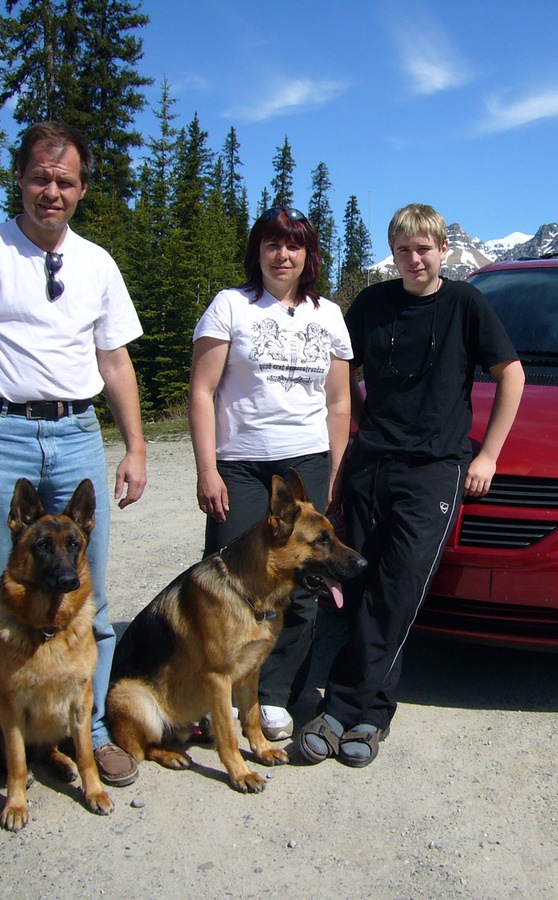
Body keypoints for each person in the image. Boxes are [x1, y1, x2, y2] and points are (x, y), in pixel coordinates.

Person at [0, 121, 148, 821]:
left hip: (77, 429)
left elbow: (114, 361)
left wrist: (135, 445)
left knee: (94, 605)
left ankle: (96, 736)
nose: (52, 192)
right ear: (19, 180)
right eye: (40, 179)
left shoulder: (97, 263)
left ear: (82, 189)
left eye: (66, 181)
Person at [298, 203, 525, 767]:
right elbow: (340, 372)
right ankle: (372, 716)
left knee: (397, 588)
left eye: (424, 248)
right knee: (363, 586)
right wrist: (344, 432)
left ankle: (343, 706)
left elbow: (511, 374)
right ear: (394, 253)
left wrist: (488, 453)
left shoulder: (466, 304)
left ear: (443, 250)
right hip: (371, 463)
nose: (415, 258)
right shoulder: (372, 305)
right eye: (404, 249)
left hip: (434, 468)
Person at [188, 206, 352, 741]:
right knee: (230, 585)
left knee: (302, 584)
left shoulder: (327, 315)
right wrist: (207, 468)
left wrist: (334, 469)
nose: (283, 255)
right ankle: (227, 696)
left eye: (294, 245)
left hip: (304, 460)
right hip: (238, 464)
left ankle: (276, 694)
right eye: (272, 245)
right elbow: (202, 391)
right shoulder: (229, 306)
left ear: (308, 255)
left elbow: (339, 403)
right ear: (257, 251)